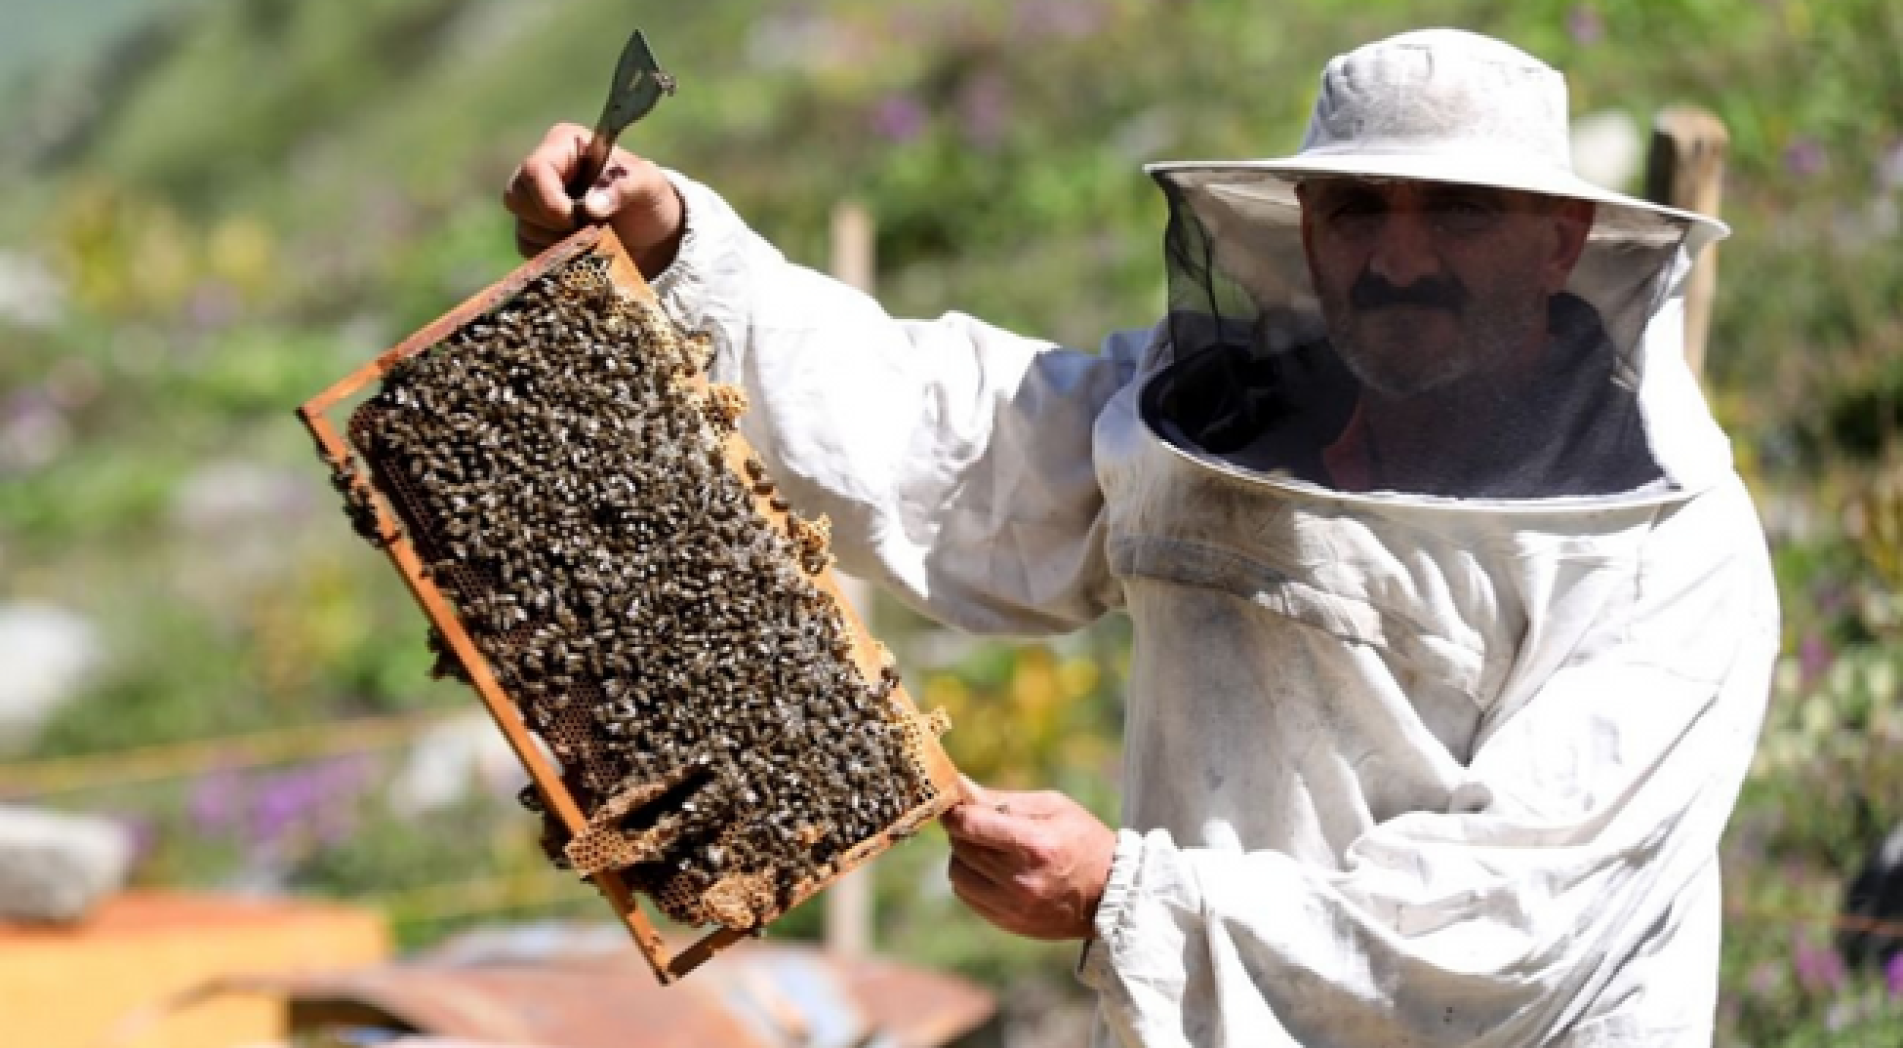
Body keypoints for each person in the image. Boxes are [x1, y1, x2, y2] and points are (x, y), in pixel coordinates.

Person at [505, 28, 1777, 1047]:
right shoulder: (1221, 415)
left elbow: (1507, 919)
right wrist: (677, 251)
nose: (1398, 257)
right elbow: (958, 445)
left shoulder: (1666, 551)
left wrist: (1131, 898)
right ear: (1301, 229)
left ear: (1560, 240)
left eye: (1453, 211)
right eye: (1356, 211)